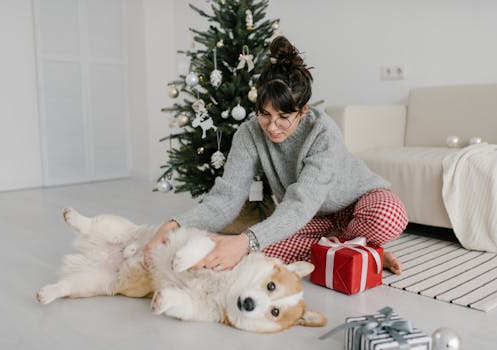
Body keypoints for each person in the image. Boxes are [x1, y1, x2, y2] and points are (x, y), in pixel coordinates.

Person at [144, 36, 407, 275]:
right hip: (316, 220)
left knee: (388, 217)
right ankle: (359, 253)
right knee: (256, 256)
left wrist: (244, 240)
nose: (271, 126)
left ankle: (354, 250)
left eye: (284, 117)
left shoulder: (323, 132)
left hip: (359, 203)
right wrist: (175, 224)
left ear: (302, 111)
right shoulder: (248, 133)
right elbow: (226, 198)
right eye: (265, 114)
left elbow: (302, 201)